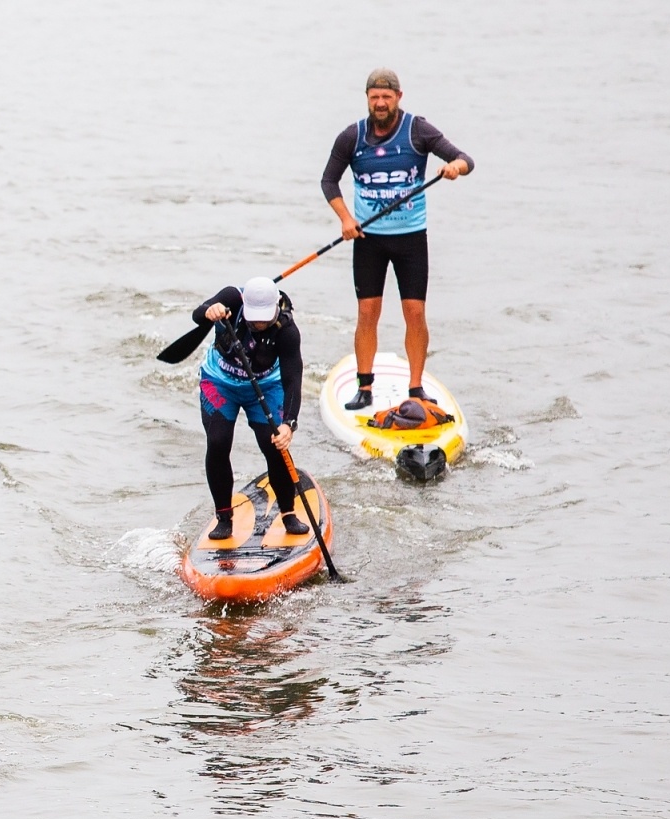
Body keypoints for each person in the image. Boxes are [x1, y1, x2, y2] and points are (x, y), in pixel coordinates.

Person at [321, 68, 474, 410]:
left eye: (386, 97)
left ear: (398, 97)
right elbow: (329, 181)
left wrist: (455, 168)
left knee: (415, 313)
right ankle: (364, 387)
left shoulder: (417, 130)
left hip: (411, 240)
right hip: (369, 240)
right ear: (367, 98)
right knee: (367, 313)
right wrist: (346, 218)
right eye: (374, 97)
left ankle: (416, 387)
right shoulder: (352, 136)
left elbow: (466, 160)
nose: (380, 103)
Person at [187, 277, 308, 542]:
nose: (259, 324)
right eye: (255, 319)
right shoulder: (232, 298)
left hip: (265, 386)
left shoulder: (287, 331)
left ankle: (288, 513)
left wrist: (289, 423)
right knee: (218, 442)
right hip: (219, 382)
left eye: (264, 319)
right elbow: (197, 314)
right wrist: (209, 311)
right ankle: (223, 517)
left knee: (274, 446)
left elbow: (292, 379)